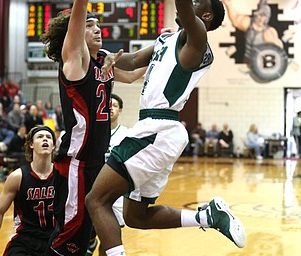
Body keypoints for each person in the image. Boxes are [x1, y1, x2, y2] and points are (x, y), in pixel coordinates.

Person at [86, 1, 246, 256]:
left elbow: (182, 7)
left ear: (205, 15)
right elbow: (133, 60)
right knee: (136, 216)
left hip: (157, 129)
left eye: (197, 2)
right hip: (155, 131)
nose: (190, 4)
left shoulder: (198, 37)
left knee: (96, 200)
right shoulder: (167, 40)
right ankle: (208, 218)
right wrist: (102, 55)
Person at [40, 1, 146, 254]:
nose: (97, 29)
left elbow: (132, 76)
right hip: (76, 163)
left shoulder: (103, 63)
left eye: (98, 25)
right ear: (75, 33)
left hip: (97, 161)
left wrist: (167, 52)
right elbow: (77, 17)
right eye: (89, 26)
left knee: (87, 236)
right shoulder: (75, 59)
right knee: (68, 239)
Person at [0, 125, 56, 256]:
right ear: (31, 144)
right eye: (40, 137)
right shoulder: (17, 177)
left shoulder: (63, 176)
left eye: (48, 137)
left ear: (53, 146)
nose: (45, 140)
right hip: (26, 240)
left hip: (56, 239)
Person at [87, 93, 128, 256]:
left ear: (121, 110)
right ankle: (90, 243)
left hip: (115, 192)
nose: (111, 108)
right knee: (86, 235)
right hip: (91, 188)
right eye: (108, 105)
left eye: (115, 105)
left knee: (110, 240)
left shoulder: (127, 134)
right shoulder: (92, 133)